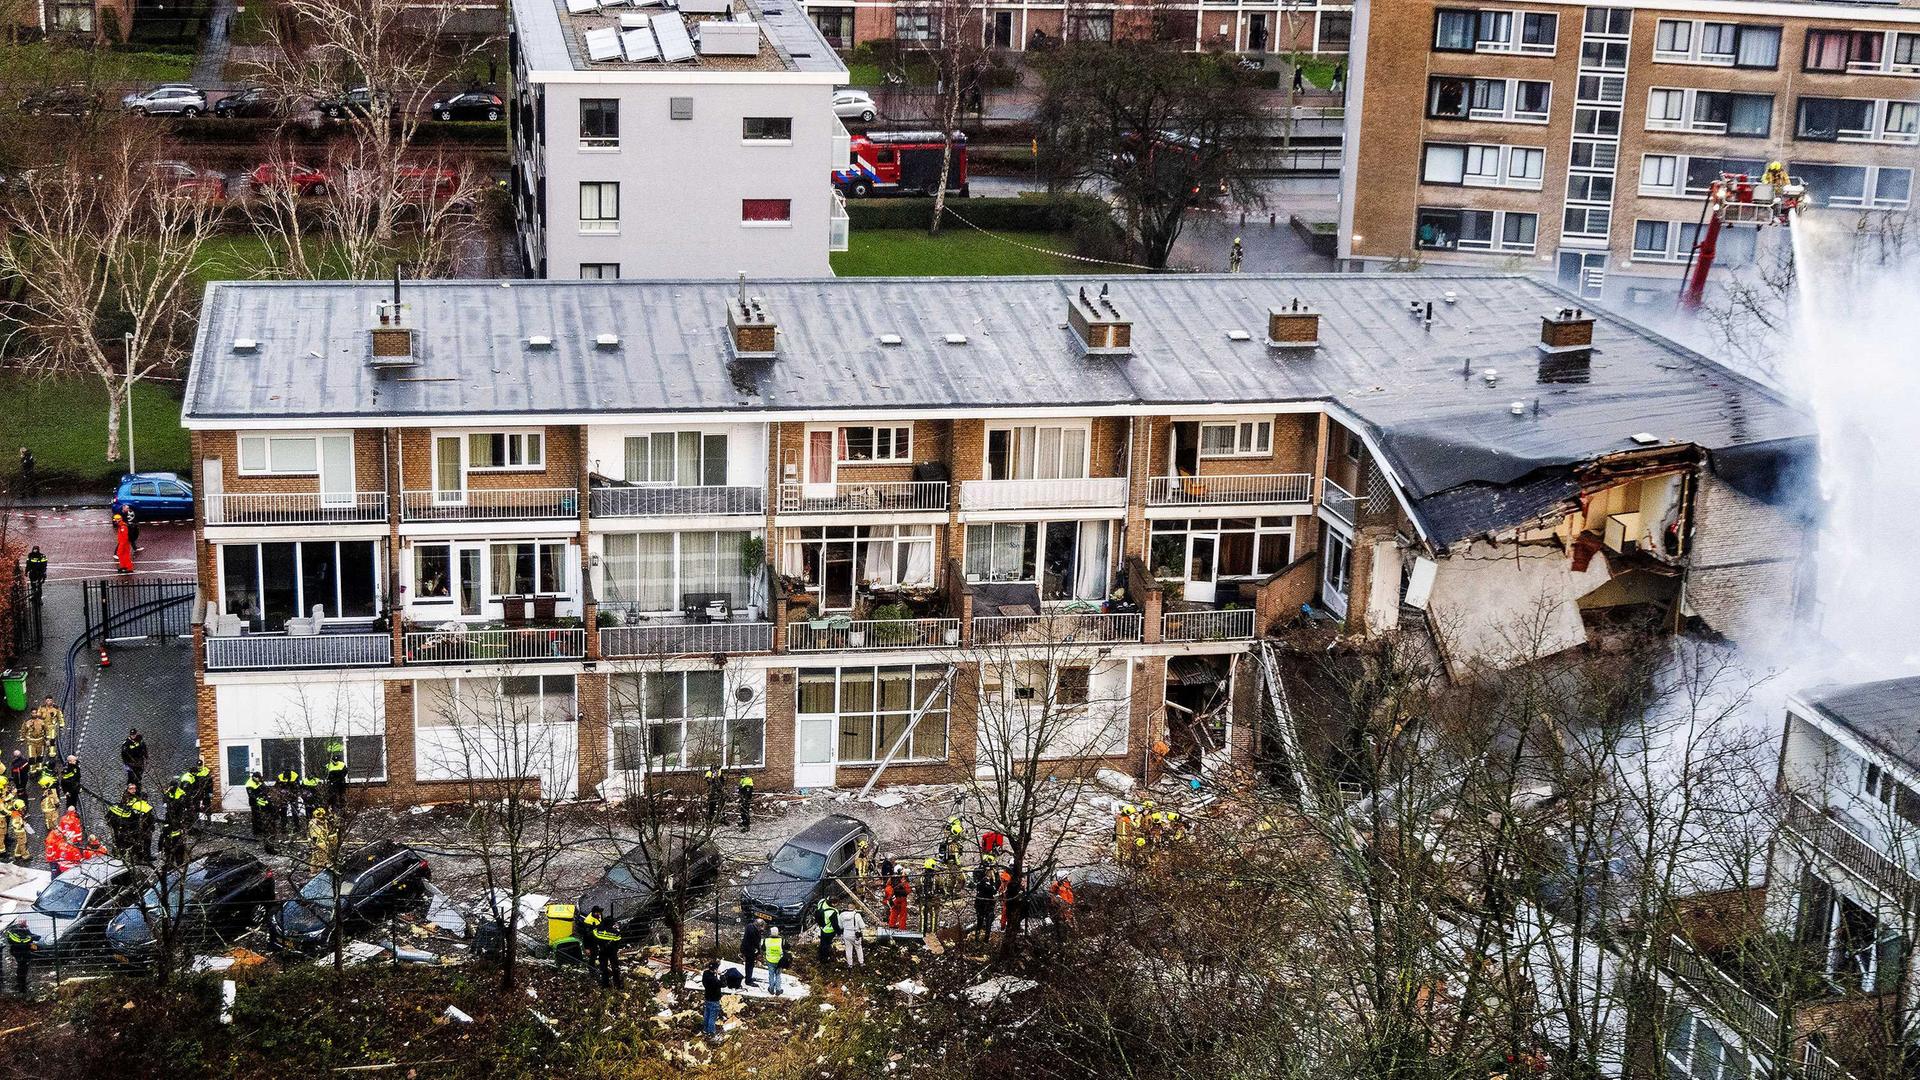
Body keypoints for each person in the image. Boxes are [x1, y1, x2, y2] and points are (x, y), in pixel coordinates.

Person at [590, 912, 623, 989]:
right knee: (615, 967)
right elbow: (618, 940)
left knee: (603, 968)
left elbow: (594, 936)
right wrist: (614, 948)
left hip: (602, 951)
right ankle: (617, 984)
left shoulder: (598, 931)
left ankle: (605, 984)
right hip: (612, 952)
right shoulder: (615, 933)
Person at [5, 918, 38, 996]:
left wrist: (32, 937)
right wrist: (32, 937)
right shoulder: (14, 931)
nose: (26, 923)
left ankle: (21, 984)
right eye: (23, 922)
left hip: (23, 952)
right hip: (20, 953)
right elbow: (22, 940)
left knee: (23, 969)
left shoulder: (24, 929)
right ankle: (22, 988)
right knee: (22, 969)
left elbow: (29, 938)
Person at [246, 770, 273, 847]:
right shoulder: (249, 784)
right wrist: (259, 797)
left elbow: (265, 788)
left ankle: (262, 829)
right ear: (254, 777)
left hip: (262, 800)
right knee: (255, 815)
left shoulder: (260, 780)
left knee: (263, 815)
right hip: (254, 802)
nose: (259, 779)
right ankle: (256, 831)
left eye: (260, 778)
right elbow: (251, 795)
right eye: (258, 778)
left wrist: (266, 795)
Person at [308, 806, 337, 873]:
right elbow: (321, 833)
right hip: (320, 843)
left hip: (314, 842)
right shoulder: (318, 823)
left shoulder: (311, 822)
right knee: (322, 860)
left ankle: (313, 871)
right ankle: (320, 873)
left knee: (314, 858)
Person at [972, 860, 996, 939]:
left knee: (980, 921)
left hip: (981, 902)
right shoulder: (985, 881)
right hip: (986, 903)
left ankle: (978, 938)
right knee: (987, 921)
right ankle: (985, 939)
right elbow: (992, 890)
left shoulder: (982, 880)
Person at [701, 959, 724, 1036]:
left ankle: (705, 1029)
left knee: (706, 1015)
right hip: (714, 1000)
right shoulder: (714, 980)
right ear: (715, 969)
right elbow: (723, 984)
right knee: (712, 1017)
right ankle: (711, 1032)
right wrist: (721, 975)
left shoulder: (705, 974)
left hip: (707, 997)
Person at [740, 910, 764, 985]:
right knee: (750, 965)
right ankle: (748, 980)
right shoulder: (755, 933)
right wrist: (758, 953)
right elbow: (756, 943)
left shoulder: (749, 926)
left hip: (745, 948)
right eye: (761, 927)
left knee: (748, 964)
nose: (762, 928)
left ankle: (748, 977)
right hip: (750, 950)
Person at [814, 897, 838, 965]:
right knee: (827, 944)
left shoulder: (822, 902)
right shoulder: (833, 912)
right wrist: (839, 932)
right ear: (833, 903)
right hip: (829, 930)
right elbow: (835, 924)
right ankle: (825, 959)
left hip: (822, 927)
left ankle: (820, 955)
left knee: (822, 942)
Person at [762, 924, 784, 996]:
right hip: (779, 961)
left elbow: (763, 948)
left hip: (770, 960)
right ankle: (778, 990)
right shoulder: (781, 940)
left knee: (771, 975)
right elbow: (787, 947)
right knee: (778, 975)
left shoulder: (766, 940)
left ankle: (771, 989)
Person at [919, 858, 940, 936]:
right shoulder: (936, 877)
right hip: (934, 899)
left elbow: (918, 887)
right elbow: (941, 887)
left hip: (923, 899)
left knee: (922, 915)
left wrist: (920, 895)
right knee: (933, 915)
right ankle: (933, 932)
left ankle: (921, 932)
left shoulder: (921, 877)